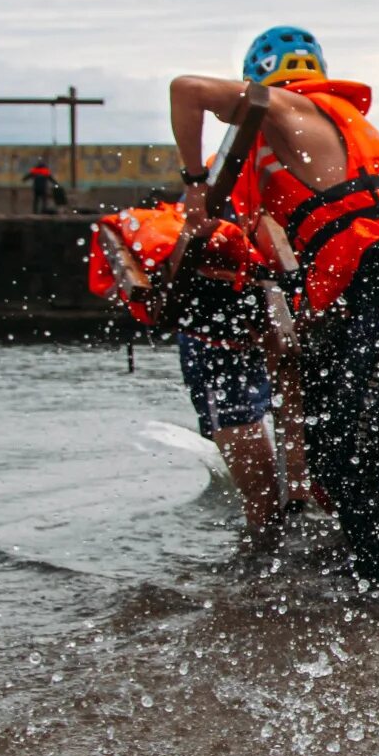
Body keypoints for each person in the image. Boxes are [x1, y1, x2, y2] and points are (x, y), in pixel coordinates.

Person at [167, 26, 379, 591]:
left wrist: (194, 183)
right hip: (369, 301)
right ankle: (370, 568)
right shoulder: (293, 148)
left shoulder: (285, 104)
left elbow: (185, 89)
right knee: (328, 456)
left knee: (349, 464)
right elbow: (288, 256)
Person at [88, 194, 311, 556]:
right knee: (263, 493)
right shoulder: (224, 204)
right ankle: (261, 559)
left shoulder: (274, 198)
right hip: (216, 327)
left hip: (261, 297)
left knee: (297, 480)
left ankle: (282, 539)